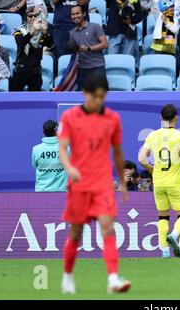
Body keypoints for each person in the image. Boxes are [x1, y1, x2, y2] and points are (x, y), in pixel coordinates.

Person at [58, 75, 131, 294]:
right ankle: (68, 276)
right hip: (79, 185)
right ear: (85, 94)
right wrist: (69, 168)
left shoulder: (112, 118)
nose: (98, 101)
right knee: (75, 234)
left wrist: (122, 181)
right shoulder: (70, 116)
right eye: (94, 96)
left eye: (102, 96)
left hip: (102, 183)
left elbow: (117, 152)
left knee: (108, 228)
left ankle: (113, 279)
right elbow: (62, 148)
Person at [138, 104, 180, 258]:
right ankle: (174, 235)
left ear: (161, 118)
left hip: (158, 182)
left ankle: (164, 251)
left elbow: (141, 158)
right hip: (175, 182)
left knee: (163, 216)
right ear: (176, 118)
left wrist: (150, 168)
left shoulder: (152, 135)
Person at [9, 7, 52, 91]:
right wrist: (32, 31)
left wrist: (45, 32)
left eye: (35, 16)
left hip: (35, 70)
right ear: (26, 17)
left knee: (35, 100)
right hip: (21, 69)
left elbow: (50, 44)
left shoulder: (42, 31)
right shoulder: (19, 30)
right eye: (30, 16)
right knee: (14, 98)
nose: (33, 18)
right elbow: (21, 43)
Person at [69, 5, 107, 91]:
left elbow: (104, 44)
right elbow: (75, 50)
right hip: (82, 68)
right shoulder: (72, 32)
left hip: (97, 66)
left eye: (77, 13)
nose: (75, 16)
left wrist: (88, 48)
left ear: (84, 13)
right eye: (73, 14)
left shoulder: (95, 27)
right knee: (81, 96)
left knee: (99, 94)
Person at [31, 120, 67, 192]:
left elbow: (35, 166)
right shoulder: (66, 148)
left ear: (44, 132)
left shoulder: (36, 149)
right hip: (61, 192)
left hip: (41, 191)